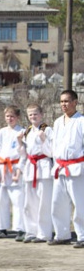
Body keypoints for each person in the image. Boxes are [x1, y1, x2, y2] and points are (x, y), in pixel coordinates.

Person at [48, 89, 84, 248]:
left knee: (80, 203)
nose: (64, 104)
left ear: (75, 102)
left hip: (76, 167)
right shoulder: (57, 122)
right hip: (60, 167)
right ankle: (62, 234)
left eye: (67, 101)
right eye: (61, 101)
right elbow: (54, 146)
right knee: (58, 202)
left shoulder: (81, 121)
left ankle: (82, 235)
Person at [18, 103, 53, 243]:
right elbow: (23, 153)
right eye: (30, 114)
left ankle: (44, 233)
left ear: (41, 114)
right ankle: (31, 231)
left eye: (35, 114)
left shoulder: (48, 129)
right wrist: (19, 142)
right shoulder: (27, 131)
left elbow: (51, 151)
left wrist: (44, 139)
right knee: (29, 203)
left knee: (44, 202)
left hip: (44, 166)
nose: (33, 116)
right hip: (30, 167)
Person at [0, 105, 26, 241]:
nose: (9, 119)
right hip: (2, 168)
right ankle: (2, 228)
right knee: (1, 200)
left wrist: (19, 170)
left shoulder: (22, 132)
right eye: (7, 116)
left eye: (12, 116)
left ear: (17, 117)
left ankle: (20, 229)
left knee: (18, 200)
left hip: (15, 167)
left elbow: (24, 153)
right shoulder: (1, 132)